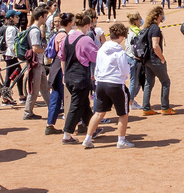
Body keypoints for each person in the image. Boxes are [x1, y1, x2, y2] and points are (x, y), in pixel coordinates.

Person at [83, 22, 134, 149]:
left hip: (101, 83)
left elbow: (97, 66)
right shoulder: (120, 52)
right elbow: (124, 70)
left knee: (99, 112)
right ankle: (121, 140)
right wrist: (126, 72)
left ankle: (88, 138)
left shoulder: (101, 49)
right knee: (123, 113)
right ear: (121, 36)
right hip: (115, 83)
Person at [60, 12, 99, 143]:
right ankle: (67, 134)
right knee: (76, 105)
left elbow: (62, 57)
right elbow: (95, 56)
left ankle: (93, 129)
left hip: (69, 75)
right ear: (87, 25)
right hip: (80, 77)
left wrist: (64, 75)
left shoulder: (66, 38)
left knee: (83, 103)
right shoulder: (85, 39)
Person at [139, 7, 173, 115]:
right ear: (159, 16)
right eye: (162, 14)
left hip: (147, 60)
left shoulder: (148, 27)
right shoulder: (155, 29)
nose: (163, 16)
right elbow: (155, 45)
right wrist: (162, 58)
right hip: (155, 59)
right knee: (166, 82)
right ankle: (165, 107)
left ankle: (146, 108)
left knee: (148, 83)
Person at [46, 13, 74, 135]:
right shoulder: (63, 36)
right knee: (68, 97)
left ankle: (50, 124)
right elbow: (64, 54)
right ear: (69, 23)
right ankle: (77, 124)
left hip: (55, 68)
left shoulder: (57, 34)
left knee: (56, 96)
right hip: (61, 69)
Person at [23, 7, 47, 120]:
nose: (46, 19)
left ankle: (53, 107)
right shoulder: (35, 31)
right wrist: (46, 50)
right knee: (34, 90)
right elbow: (35, 48)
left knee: (45, 88)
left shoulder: (34, 29)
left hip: (38, 63)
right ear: (41, 17)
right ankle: (28, 112)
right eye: (45, 16)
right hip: (36, 63)